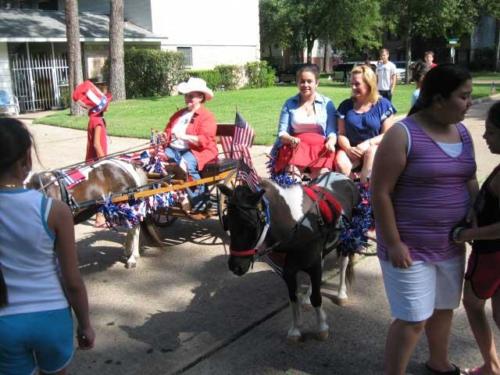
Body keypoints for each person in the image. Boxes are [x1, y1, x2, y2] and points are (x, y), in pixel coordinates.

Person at [371, 63, 478, 375]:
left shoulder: (462, 132)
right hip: (409, 250)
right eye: (464, 96)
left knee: (444, 309)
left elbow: (468, 178)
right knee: (413, 318)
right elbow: (380, 193)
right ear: (438, 100)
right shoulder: (402, 135)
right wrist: (393, 243)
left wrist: (475, 214)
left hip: (451, 244)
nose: (469, 102)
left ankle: (439, 362)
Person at [0, 118, 95, 374]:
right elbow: (72, 280)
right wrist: (85, 324)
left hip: (4, 326)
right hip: (51, 317)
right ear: (26, 161)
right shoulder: (54, 211)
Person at [453, 101, 500, 375]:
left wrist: (469, 234)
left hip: (492, 254)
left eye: (491, 132)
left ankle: (492, 367)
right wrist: (475, 208)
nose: (484, 137)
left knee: (472, 303)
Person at [162, 77, 218, 212]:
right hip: (174, 149)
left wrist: (185, 136)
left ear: (200, 97)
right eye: (186, 96)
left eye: (191, 96)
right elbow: (168, 131)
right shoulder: (179, 114)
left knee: (185, 165)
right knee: (156, 163)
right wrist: (162, 137)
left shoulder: (207, 116)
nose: (187, 98)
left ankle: (200, 202)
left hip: (199, 151)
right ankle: (176, 195)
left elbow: (205, 140)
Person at [273, 64, 337, 180]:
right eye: (302, 81)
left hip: (320, 148)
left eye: (309, 81)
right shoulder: (289, 103)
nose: (305, 85)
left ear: (316, 83)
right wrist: (290, 139)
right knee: (292, 179)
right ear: (297, 83)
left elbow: (332, 132)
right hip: (296, 147)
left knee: (323, 181)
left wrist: (331, 142)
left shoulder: (327, 103)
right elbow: (282, 133)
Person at [335, 64, 396, 184]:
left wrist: (367, 143)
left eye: (357, 84)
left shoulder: (383, 105)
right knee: (341, 163)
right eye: (351, 83)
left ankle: (365, 190)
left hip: (375, 148)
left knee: (371, 152)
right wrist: (348, 149)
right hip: (351, 148)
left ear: (369, 83)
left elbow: (387, 134)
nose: (353, 87)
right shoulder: (345, 105)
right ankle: (350, 191)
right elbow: (341, 134)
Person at [72, 80, 112, 227]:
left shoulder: (93, 119)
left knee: (97, 188)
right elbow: (96, 143)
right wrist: (105, 160)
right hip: (97, 161)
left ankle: (98, 216)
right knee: (103, 188)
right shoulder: (99, 122)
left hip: (91, 160)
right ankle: (100, 217)